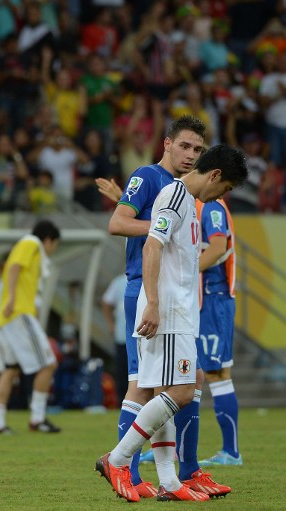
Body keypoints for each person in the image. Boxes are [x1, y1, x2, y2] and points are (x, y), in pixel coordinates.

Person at [96, 144, 248, 503]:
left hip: (177, 312)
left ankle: (169, 479)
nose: (221, 196)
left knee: (170, 388)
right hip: (167, 314)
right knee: (181, 390)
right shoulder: (177, 195)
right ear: (213, 176)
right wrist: (152, 302)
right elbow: (152, 246)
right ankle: (117, 458)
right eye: (224, 189)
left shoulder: (188, 203)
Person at [0, 221, 61, 435]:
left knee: (10, 369)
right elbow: (13, 267)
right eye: (54, 244)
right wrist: (11, 297)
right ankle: (37, 418)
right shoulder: (31, 243)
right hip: (19, 313)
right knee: (48, 364)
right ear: (48, 239)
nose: (52, 250)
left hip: (6, 319)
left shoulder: (29, 247)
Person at [196, 198, 243, 467]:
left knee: (215, 372)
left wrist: (184, 271)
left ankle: (231, 452)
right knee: (191, 373)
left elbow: (216, 248)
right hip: (207, 298)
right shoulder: (203, 203)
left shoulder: (211, 206)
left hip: (213, 298)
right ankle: (173, 448)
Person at [102, 274, 128, 404]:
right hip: (122, 336)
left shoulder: (149, 277)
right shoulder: (118, 282)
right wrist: (111, 325)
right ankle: (122, 403)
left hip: (144, 337)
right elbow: (106, 302)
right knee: (122, 371)